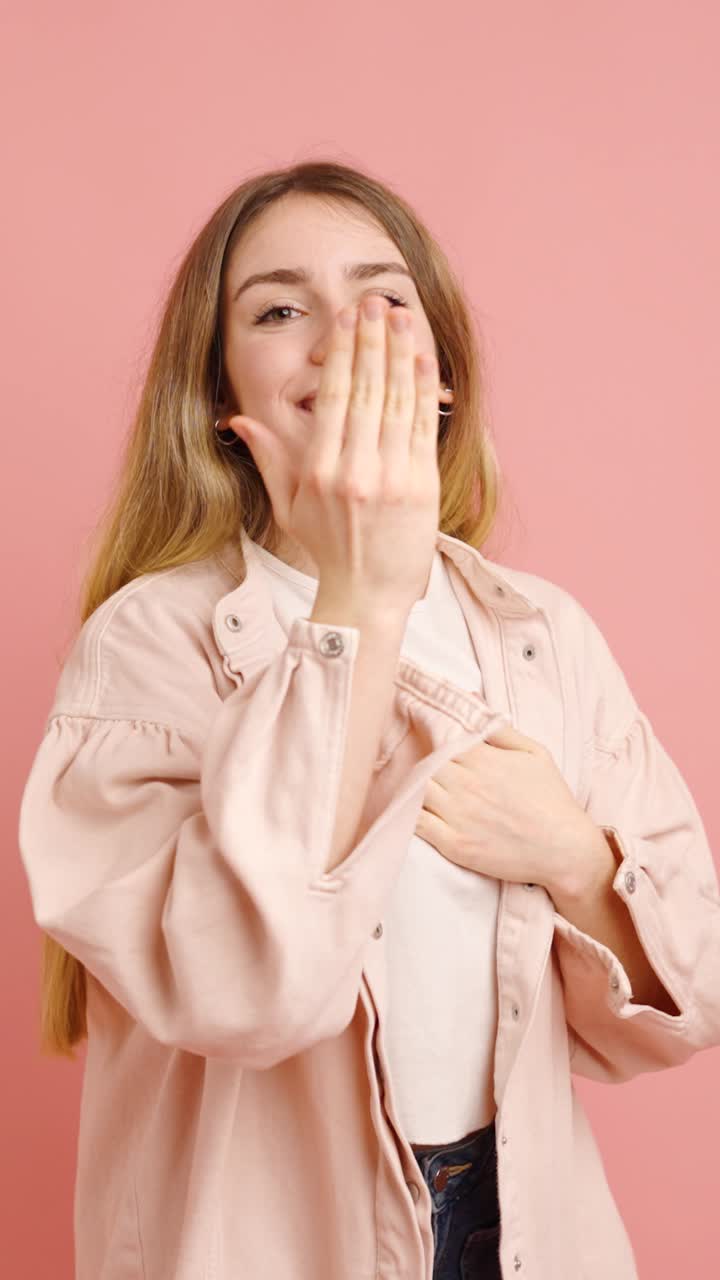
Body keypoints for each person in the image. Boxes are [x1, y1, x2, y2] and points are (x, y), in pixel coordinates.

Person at [18, 159, 720, 1280]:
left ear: (440, 374)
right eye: (282, 308)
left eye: (385, 300)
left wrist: (574, 856)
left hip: (524, 1225)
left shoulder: (542, 631)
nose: (346, 336)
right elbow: (242, 990)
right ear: (219, 400)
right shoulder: (148, 647)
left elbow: (689, 1004)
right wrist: (359, 600)